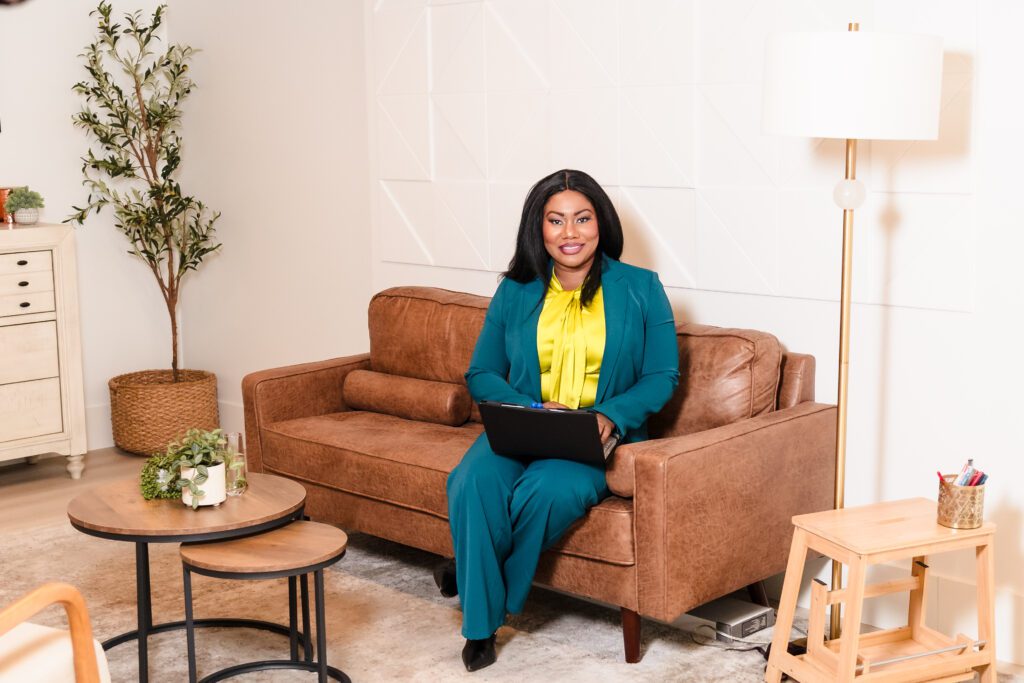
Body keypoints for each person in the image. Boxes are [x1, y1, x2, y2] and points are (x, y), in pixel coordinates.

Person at [437, 169, 680, 671]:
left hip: (590, 435)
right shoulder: (516, 291)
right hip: (522, 424)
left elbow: (662, 376)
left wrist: (611, 416)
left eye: (582, 218)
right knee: (470, 483)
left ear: (601, 223)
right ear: (538, 228)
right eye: (555, 220)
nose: (570, 233)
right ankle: (478, 629)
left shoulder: (641, 287)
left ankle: (476, 590)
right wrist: (528, 408)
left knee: (547, 492)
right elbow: (481, 371)